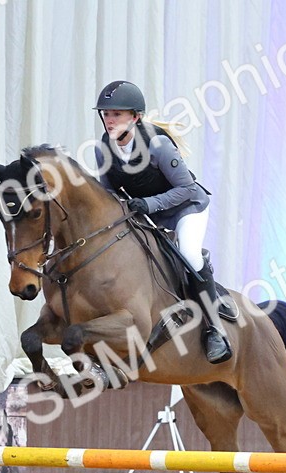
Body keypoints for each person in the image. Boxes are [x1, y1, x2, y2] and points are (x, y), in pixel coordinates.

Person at [92, 80, 233, 364]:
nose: (109, 120)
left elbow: (187, 188)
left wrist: (149, 204)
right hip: (147, 213)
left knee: (189, 254)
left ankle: (214, 330)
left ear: (136, 117)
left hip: (186, 208)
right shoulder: (103, 149)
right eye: (106, 114)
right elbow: (108, 193)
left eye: (117, 114)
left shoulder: (158, 145)